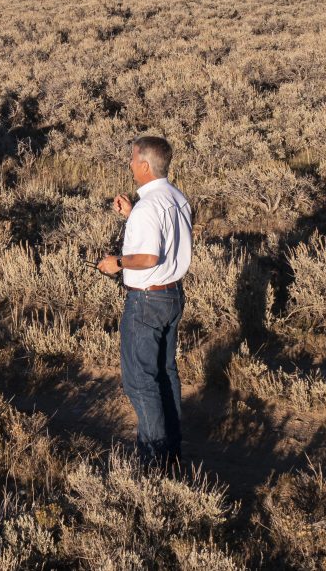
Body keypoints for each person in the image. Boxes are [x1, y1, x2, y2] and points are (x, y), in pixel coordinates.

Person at [97, 136, 192, 470]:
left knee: (141, 381)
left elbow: (150, 255)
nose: (129, 164)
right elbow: (163, 239)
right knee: (165, 375)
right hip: (171, 295)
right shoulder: (176, 198)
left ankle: (153, 463)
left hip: (147, 301)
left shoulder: (150, 205)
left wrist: (117, 263)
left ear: (145, 165)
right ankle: (172, 455)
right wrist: (133, 214)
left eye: (133, 159)